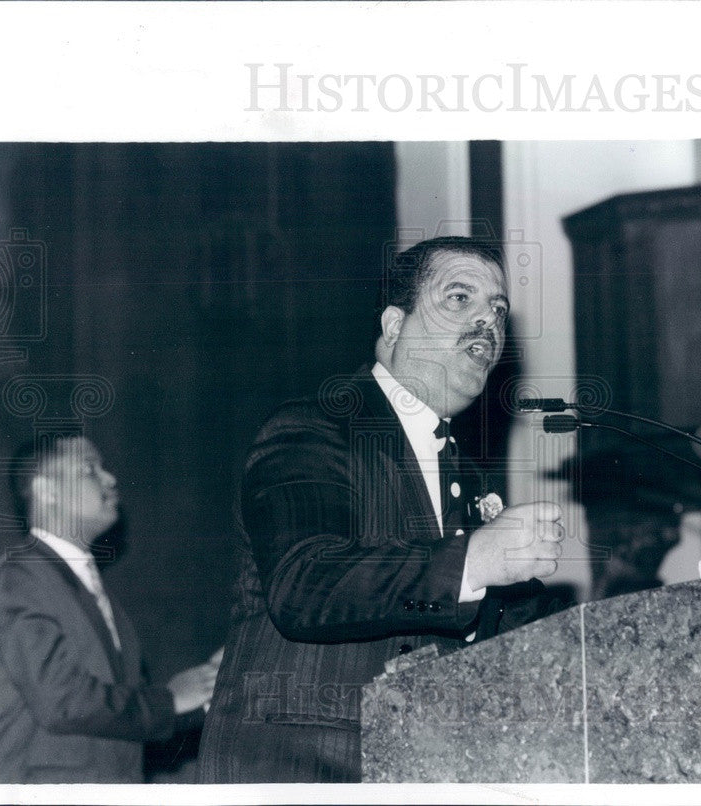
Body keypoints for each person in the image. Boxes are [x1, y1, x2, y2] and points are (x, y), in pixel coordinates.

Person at [197, 236, 567, 783]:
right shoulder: (314, 429)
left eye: (498, 310)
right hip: (304, 769)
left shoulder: (466, 477)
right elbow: (304, 584)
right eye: (460, 299)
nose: (487, 323)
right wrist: (474, 562)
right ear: (393, 327)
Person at [0, 435, 220, 783]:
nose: (110, 479)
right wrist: (169, 701)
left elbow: (122, 720)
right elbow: (62, 701)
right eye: (89, 468)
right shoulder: (19, 577)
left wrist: (209, 687)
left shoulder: (86, 586)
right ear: (47, 491)